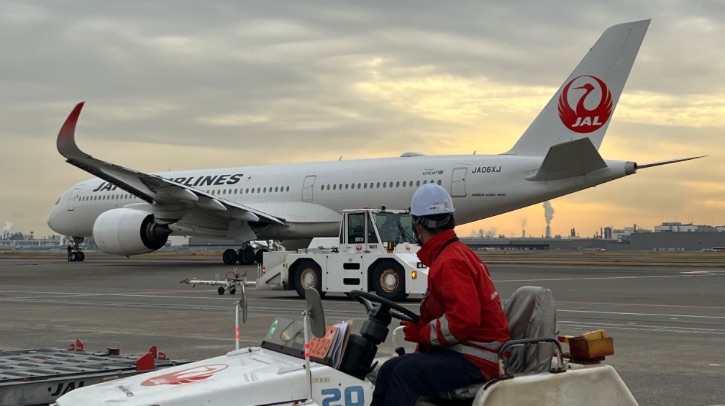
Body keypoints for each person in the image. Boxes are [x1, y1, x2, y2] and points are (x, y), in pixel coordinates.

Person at [371, 183, 510, 406]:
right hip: (468, 351)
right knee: (388, 368)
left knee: (405, 372)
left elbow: (463, 319)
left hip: (477, 357)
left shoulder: (449, 262)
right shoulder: (454, 254)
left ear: (418, 226)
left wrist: (423, 333)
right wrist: (422, 331)